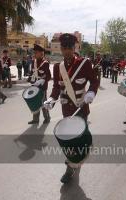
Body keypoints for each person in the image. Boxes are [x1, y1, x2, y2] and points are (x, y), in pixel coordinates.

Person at [43, 33, 99, 184]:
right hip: (67, 111)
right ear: (61, 49)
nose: (67, 51)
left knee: (79, 141)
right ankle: (71, 167)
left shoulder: (84, 63)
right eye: (64, 48)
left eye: (70, 48)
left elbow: (94, 81)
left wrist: (91, 93)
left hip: (81, 109)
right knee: (69, 142)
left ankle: (75, 161)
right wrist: (51, 99)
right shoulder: (57, 67)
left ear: (74, 48)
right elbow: (56, 88)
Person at [27, 44, 51, 124]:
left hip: (42, 86)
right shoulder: (34, 61)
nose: (34, 54)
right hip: (34, 85)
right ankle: (35, 119)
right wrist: (30, 78)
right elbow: (32, 72)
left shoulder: (45, 63)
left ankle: (47, 117)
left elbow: (48, 76)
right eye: (34, 52)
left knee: (43, 102)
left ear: (41, 53)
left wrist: (41, 81)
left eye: (36, 52)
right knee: (35, 103)